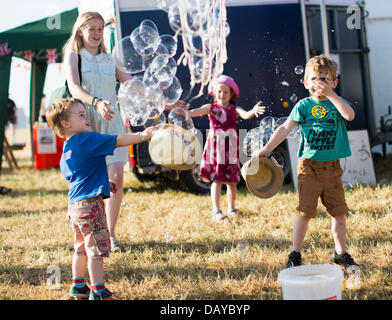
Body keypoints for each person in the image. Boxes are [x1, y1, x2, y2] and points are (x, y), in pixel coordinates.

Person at [63, 12, 186, 252]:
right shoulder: (74, 57)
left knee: (116, 179)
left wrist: (165, 102)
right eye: (92, 29)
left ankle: (110, 234)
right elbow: (74, 88)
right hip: (86, 122)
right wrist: (96, 101)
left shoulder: (111, 60)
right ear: (80, 31)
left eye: (100, 29)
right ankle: (86, 227)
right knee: (88, 181)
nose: (97, 33)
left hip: (113, 122)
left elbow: (132, 84)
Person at [253, 55, 359, 270]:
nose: (318, 83)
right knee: (305, 212)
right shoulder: (303, 105)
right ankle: (295, 253)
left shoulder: (337, 104)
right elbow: (284, 129)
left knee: (338, 213)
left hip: (332, 169)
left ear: (334, 82)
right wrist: (266, 149)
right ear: (305, 83)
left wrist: (331, 95)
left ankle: (340, 253)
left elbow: (349, 116)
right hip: (308, 168)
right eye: (313, 79)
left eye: (324, 79)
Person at [46, 98, 155, 300]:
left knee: (80, 248)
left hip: (74, 207)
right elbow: (117, 140)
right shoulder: (88, 139)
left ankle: (78, 285)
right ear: (66, 124)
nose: (87, 117)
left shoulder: (67, 149)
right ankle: (98, 291)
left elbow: (78, 176)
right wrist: (142, 135)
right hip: (90, 206)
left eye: (85, 113)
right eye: (80, 115)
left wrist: (104, 183)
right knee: (95, 250)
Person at [189, 75, 266, 222]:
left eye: (225, 92)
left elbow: (246, 114)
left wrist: (253, 110)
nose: (222, 95)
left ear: (231, 95)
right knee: (217, 180)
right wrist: (184, 112)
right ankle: (216, 210)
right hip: (216, 149)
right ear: (214, 93)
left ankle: (232, 208)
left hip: (230, 150)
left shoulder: (234, 109)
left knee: (232, 181)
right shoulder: (210, 108)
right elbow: (196, 111)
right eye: (219, 91)